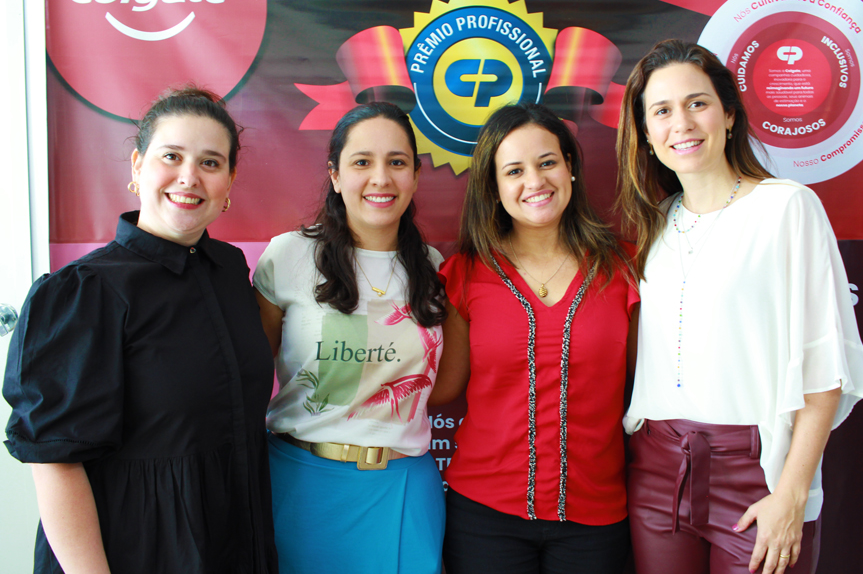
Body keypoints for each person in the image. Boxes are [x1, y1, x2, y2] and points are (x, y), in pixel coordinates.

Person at [616, 39, 863, 574]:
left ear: (729, 115)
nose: (682, 123)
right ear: (645, 133)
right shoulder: (656, 223)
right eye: (661, 111)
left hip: (759, 472)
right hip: (658, 471)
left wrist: (791, 493)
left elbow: (825, 367)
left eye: (697, 103)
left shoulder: (787, 207)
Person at [3, 87, 278, 573]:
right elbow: (56, 463)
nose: (189, 177)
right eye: (171, 156)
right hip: (134, 549)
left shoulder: (230, 270)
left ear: (229, 180)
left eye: (210, 162)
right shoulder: (84, 291)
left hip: (233, 542)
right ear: (137, 165)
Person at [432, 102, 638, 574]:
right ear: (493, 187)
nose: (535, 181)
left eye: (547, 162)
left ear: (570, 167)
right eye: (514, 171)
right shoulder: (465, 273)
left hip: (596, 518)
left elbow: (650, 385)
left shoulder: (624, 267)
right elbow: (444, 389)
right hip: (483, 516)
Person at [253, 102, 447, 574]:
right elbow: (251, 374)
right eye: (362, 162)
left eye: (396, 162)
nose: (381, 178)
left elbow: (445, 385)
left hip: (403, 489)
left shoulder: (435, 266)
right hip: (300, 484)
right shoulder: (288, 255)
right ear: (336, 175)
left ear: (415, 176)